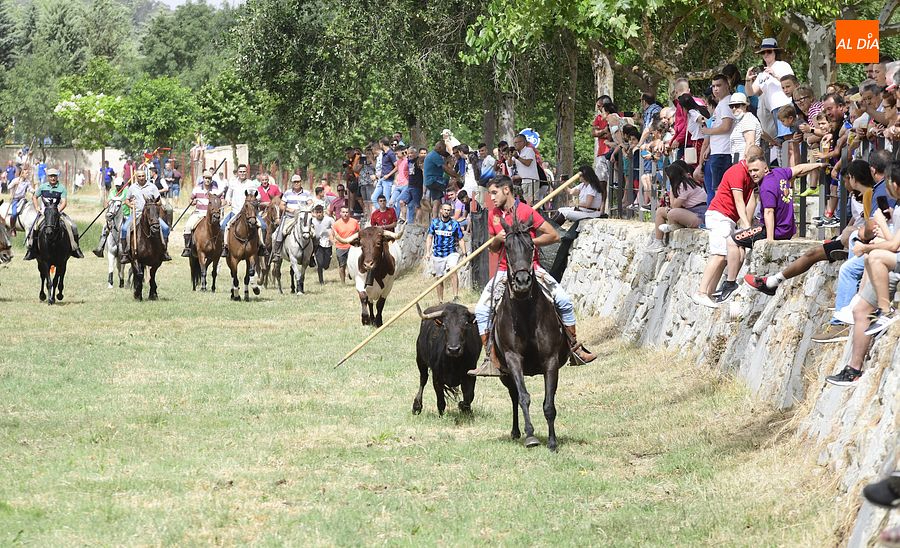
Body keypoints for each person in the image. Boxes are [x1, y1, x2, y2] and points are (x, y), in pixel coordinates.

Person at [469, 176, 596, 377]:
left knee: (563, 300)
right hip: (504, 270)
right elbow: (493, 249)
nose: (491, 197)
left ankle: (574, 347)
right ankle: (490, 359)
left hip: (532, 267)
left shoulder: (527, 211)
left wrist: (528, 243)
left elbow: (553, 235)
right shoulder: (493, 215)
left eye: (494, 192)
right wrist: (497, 239)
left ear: (506, 190)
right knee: (482, 310)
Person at [715, 159, 828, 303]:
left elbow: (768, 212)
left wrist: (770, 240)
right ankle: (732, 279)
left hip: (775, 230)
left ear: (765, 168)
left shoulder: (766, 187)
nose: (753, 174)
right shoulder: (780, 173)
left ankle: (730, 283)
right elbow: (799, 169)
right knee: (740, 241)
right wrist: (817, 165)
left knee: (731, 240)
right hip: (788, 228)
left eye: (756, 170)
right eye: (750, 171)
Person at [692, 147, 765, 308]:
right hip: (719, 216)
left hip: (728, 218)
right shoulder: (737, 172)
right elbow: (739, 201)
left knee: (727, 256)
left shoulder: (749, 174)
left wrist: (747, 222)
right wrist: (746, 226)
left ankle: (710, 293)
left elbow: (750, 200)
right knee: (718, 254)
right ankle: (701, 292)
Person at [23, 168, 84, 260]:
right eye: (51, 176)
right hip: (44, 214)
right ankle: (32, 249)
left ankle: (75, 248)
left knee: (73, 226)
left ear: (57, 177)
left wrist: (57, 211)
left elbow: (64, 202)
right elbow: (35, 197)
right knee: (34, 227)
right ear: (48, 177)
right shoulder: (42, 187)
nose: (53, 178)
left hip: (58, 213)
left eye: (54, 176)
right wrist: (37, 208)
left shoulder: (61, 188)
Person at [647, 160, 707, 253]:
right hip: (690, 212)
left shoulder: (685, 185)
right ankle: (658, 241)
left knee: (672, 213)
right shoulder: (682, 184)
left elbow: (674, 206)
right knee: (660, 211)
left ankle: (672, 245)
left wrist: (671, 187)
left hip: (698, 216)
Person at [120, 170, 171, 263]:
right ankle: (125, 253)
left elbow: (159, 201)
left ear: (145, 176)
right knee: (124, 229)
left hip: (151, 216)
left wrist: (155, 204)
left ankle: (164, 251)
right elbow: (126, 200)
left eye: (143, 176)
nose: (141, 178)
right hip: (136, 214)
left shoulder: (152, 187)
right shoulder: (132, 187)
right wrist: (131, 205)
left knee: (165, 228)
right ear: (136, 177)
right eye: (139, 176)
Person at [424, 202, 467, 302]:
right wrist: (427, 252)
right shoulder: (435, 223)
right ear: (441, 210)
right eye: (445, 209)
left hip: (451, 253)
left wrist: (465, 254)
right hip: (438, 254)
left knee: (453, 271)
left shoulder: (454, 224)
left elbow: (460, 239)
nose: (447, 212)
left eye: (449, 210)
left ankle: (455, 296)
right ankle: (440, 301)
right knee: (439, 278)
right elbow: (429, 237)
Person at [222, 164, 266, 255]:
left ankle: (261, 246)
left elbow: (259, 196)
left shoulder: (251, 183)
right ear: (237, 173)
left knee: (263, 226)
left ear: (247, 172)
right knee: (223, 226)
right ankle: (225, 247)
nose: (242, 173)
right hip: (235, 211)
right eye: (240, 172)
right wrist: (228, 200)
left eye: (244, 172)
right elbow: (228, 195)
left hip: (249, 213)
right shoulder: (233, 182)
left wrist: (254, 201)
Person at [271, 175, 312, 261]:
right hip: (290, 218)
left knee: (314, 233)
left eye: (298, 181)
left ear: (301, 182)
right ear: (292, 183)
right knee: (278, 233)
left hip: (303, 218)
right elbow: (282, 205)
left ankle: (312, 255)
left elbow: (310, 203)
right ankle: (276, 252)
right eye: (295, 182)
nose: (296, 183)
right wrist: (290, 210)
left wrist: (305, 209)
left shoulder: (306, 193)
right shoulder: (287, 193)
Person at [179, 171, 221, 257]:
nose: (207, 180)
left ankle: (222, 247)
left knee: (222, 228)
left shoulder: (215, 190)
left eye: (209, 178)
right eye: (206, 178)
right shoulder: (197, 188)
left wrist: (221, 204)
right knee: (188, 226)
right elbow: (190, 199)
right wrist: (192, 202)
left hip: (212, 214)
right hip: (199, 212)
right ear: (203, 178)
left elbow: (222, 200)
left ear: (211, 179)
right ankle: (187, 248)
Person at [92, 177, 131, 257]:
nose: (118, 187)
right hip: (114, 217)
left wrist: (122, 203)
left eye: (119, 186)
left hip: (126, 215)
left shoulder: (127, 192)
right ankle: (100, 247)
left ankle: (129, 249)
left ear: (123, 184)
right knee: (105, 228)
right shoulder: (113, 192)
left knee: (129, 230)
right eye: (117, 186)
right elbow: (107, 202)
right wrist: (106, 204)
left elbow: (129, 201)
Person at [423, 140, 457, 218]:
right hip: (434, 180)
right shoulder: (435, 156)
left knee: (437, 200)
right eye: (444, 149)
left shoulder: (432, 154)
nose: (444, 151)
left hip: (429, 182)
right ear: (439, 147)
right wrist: (457, 176)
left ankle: (435, 218)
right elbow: (446, 169)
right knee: (451, 183)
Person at [728, 93, 763, 162]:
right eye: (731, 106)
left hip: (744, 161)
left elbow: (750, 143)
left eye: (737, 105)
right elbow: (761, 133)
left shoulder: (748, 119)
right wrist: (773, 141)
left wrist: (745, 163)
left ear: (745, 106)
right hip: (738, 159)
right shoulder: (741, 120)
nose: (734, 108)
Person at [331, 206, 360, 284]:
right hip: (341, 247)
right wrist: (333, 241)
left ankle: (354, 277)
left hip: (352, 247)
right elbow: (332, 235)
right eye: (343, 212)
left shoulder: (354, 222)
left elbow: (359, 232)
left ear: (349, 213)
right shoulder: (336, 224)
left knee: (354, 264)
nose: (345, 214)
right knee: (342, 265)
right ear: (340, 213)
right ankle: (343, 282)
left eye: (347, 212)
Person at [399, 147, 426, 225]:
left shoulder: (418, 160)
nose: (410, 155)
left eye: (411, 153)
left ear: (415, 153)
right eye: (409, 153)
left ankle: (418, 223)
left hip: (417, 186)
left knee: (417, 206)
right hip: (410, 185)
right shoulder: (409, 161)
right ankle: (403, 219)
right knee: (401, 201)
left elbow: (423, 168)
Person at [311, 205, 334, 285]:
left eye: (320, 212)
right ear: (314, 213)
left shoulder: (329, 220)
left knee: (326, 264)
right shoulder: (312, 221)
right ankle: (321, 281)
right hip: (318, 244)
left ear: (323, 212)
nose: (319, 214)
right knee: (319, 263)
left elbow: (334, 228)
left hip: (327, 243)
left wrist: (332, 236)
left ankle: (325, 265)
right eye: (317, 213)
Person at [371, 137, 397, 204]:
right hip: (381, 179)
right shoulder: (383, 154)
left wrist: (388, 175)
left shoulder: (390, 153)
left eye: (380, 144)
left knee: (386, 200)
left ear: (382, 144)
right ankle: (381, 212)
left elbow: (397, 166)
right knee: (374, 198)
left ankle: (390, 213)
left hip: (388, 180)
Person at [8, 171, 34, 236]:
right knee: (14, 214)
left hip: (22, 199)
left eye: (28, 173)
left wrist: (34, 191)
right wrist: (14, 184)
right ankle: (12, 228)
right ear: (22, 174)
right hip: (15, 199)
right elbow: (8, 187)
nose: (27, 174)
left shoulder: (27, 182)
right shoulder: (16, 180)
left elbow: (30, 189)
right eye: (26, 173)